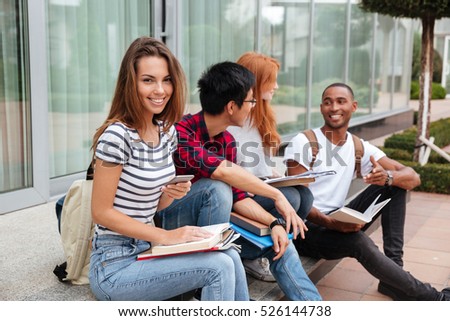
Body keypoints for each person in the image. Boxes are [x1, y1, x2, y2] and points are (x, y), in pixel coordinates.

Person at [89, 36, 249, 301]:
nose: (160, 90)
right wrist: (166, 235)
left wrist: (170, 194)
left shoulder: (166, 132)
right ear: (131, 84)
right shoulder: (116, 137)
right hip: (113, 263)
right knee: (217, 266)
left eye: (166, 80)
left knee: (229, 253)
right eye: (148, 80)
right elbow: (101, 212)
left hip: (145, 247)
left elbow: (151, 207)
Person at [169, 61, 321, 301]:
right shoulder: (181, 132)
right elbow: (221, 172)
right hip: (173, 224)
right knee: (216, 187)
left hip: (218, 224)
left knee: (281, 240)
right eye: (250, 101)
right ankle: (207, 277)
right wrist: (276, 195)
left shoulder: (227, 141)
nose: (253, 106)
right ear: (231, 106)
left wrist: (274, 224)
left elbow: (238, 197)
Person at [284, 82, 450, 300]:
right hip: (305, 230)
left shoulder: (357, 146)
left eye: (341, 101)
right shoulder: (304, 142)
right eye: (327, 102)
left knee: (396, 187)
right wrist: (333, 224)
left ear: (354, 106)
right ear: (321, 108)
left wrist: (389, 177)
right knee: (358, 241)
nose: (334, 107)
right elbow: (295, 205)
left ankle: (393, 273)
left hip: (337, 217)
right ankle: (434, 299)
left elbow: (413, 177)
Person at [227, 52, 313, 282]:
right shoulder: (233, 123)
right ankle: (251, 254)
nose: (275, 86)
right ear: (254, 83)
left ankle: (274, 253)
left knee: (304, 196)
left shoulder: (261, 117)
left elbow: (259, 166)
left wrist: (278, 177)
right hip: (240, 197)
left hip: (260, 188)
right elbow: (231, 174)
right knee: (292, 199)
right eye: (270, 80)